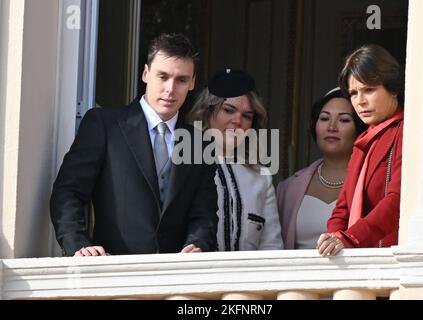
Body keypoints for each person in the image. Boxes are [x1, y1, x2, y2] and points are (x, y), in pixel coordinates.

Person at [50, 33, 218, 256]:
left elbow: (204, 213)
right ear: (146, 73)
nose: (170, 88)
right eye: (163, 76)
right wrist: (79, 246)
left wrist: (197, 245)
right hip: (111, 272)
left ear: (192, 83)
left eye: (181, 80)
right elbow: (69, 191)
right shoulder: (104, 125)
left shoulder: (201, 144)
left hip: (177, 278)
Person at [317, 44, 405, 256]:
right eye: (354, 93)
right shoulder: (364, 140)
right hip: (356, 263)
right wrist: (334, 237)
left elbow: (397, 201)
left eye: (369, 89)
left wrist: (350, 239)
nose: (360, 101)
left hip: (388, 261)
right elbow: (343, 207)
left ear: (392, 87)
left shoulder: (406, 130)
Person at [188, 69, 283, 251]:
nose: (237, 121)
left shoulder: (261, 177)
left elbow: (272, 247)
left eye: (247, 116)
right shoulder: (182, 166)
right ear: (206, 112)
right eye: (228, 110)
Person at [277, 88, 367, 249]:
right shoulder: (288, 188)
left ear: (359, 128)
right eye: (324, 118)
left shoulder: (370, 182)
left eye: (344, 120)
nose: (332, 127)